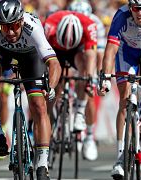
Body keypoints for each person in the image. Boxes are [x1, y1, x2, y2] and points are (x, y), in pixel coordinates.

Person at [0, 0, 61, 179]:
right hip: (3, 53)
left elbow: (53, 63)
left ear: (21, 21)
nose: (10, 32)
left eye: (14, 26)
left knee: (39, 104)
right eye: (5, 27)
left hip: (30, 56)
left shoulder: (33, 27)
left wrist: (51, 87)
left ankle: (42, 162)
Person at [98, 0, 141, 179]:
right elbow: (110, 50)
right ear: (130, 8)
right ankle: (120, 158)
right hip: (127, 55)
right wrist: (105, 77)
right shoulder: (121, 16)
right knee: (125, 99)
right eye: (136, 9)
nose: (139, 13)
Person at [43, 10, 97, 138]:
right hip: (55, 49)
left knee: (84, 68)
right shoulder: (49, 23)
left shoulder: (89, 25)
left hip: (76, 51)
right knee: (54, 80)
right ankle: (51, 115)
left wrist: (89, 79)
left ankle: (79, 111)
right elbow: (41, 53)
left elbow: (91, 55)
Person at [67, 0, 105, 161]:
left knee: (88, 87)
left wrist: (97, 76)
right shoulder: (66, 22)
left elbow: (99, 55)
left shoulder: (96, 24)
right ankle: (59, 126)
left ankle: (89, 135)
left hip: (89, 50)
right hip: (71, 48)